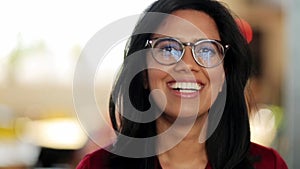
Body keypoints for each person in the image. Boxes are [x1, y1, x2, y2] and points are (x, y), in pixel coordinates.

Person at [76, 0, 288, 168]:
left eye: (206, 50)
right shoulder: (97, 166)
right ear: (142, 73)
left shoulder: (269, 165)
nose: (187, 65)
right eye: (168, 49)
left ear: (224, 75)